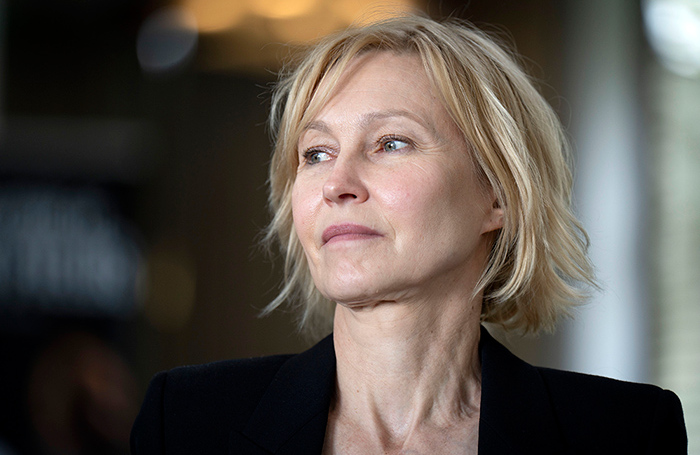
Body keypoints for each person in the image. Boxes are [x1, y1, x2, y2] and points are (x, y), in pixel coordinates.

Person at [130, 15, 687, 454]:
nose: (337, 184)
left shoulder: (625, 433)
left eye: (391, 143)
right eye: (316, 153)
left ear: (498, 194)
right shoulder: (185, 419)